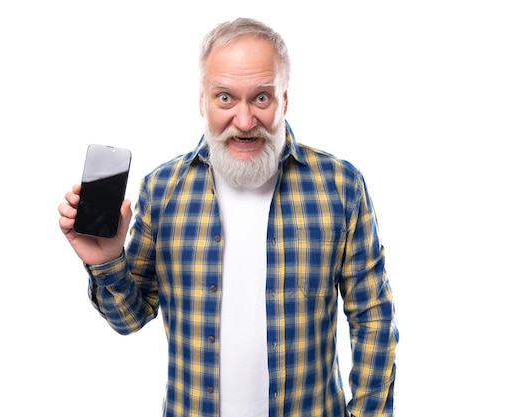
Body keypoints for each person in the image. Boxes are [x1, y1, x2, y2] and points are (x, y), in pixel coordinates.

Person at [58, 17, 398, 417]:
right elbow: (130, 318)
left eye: (261, 98)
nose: (243, 120)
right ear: (202, 100)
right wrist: (106, 261)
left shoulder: (340, 185)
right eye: (225, 98)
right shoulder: (163, 189)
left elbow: (373, 317)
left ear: (284, 99)